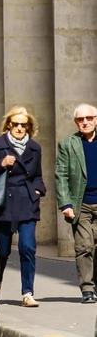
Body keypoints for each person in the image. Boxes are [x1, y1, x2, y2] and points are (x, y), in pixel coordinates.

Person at [0, 106, 48, 307]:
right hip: (4, 202)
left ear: (29, 127)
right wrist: (1, 163)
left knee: (28, 247)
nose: (18, 128)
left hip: (27, 201)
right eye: (15, 124)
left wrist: (38, 190)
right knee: (3, 251)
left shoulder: (35, 148)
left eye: (23, 125)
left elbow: (37, 175)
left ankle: (28, 292)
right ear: (8, 124)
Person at [54, 102, 97, 304]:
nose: (85, 122)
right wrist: (65, 204)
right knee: (84, 247)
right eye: (81, 119)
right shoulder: (68, 144)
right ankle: (87, 289)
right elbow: (61, 175)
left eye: (89, 118)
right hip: (82, 204)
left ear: (96, 120)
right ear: (76, 122)